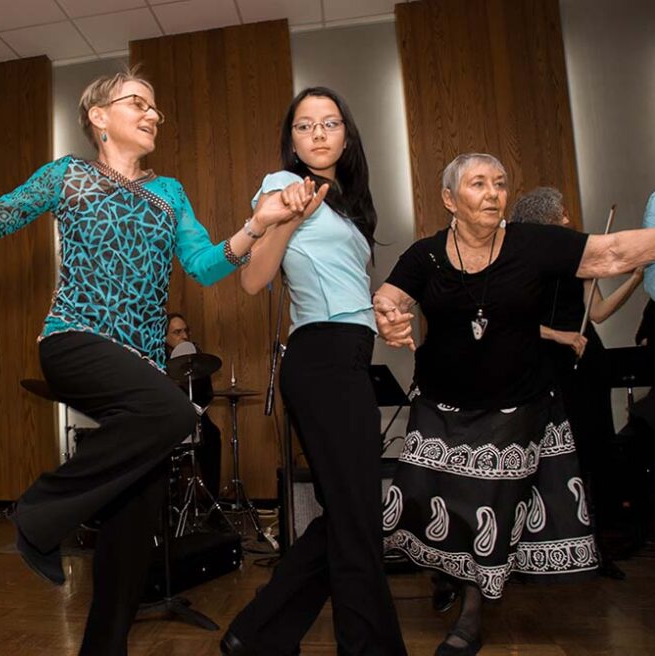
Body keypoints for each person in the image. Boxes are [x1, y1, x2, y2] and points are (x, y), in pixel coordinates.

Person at [0, 69, 320, 655]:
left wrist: (256, 225)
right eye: (137, 103)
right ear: (98, 116)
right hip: (75, 339)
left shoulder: (170, 193)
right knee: (175, 414)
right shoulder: (68, 174)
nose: (152, 115)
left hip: (141, 365)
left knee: (133, 525)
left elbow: (208, 266)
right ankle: (38, 512)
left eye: (156, 108)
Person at [374, 153, 655, 656]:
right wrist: (389, 315)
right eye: (478, 183)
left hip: (515, 405)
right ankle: (449, 573)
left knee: (490, 510)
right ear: (448, 199)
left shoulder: (533, 244)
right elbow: (389, 296)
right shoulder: (426, 255)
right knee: (421, 499)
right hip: (440, 405)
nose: (492, 193)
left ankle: (470, 617)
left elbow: (610, 253)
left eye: (500, 183)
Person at [222, 87, 406, 656]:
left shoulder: (352, 204)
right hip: (319, 358)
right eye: (305, 126)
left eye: (330, 123)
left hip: (351, 354)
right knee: (357, 517)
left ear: (346, 134)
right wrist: (286, 219)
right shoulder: (283, 187)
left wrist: (383, 309)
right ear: (292, 139)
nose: (319, 134)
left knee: (349, 512)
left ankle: (256, 633)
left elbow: (342, 281)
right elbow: (254, 280)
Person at [511, 187, 642, 579]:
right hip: (547, 362)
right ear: (544, 221)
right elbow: (515, 321)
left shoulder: (582, 261)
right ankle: (530, 548)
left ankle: (595, 546)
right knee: (544, 455)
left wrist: (634, 278)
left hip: (588, 363)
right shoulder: (524, 264)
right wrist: (562, 335)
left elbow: (597, 313)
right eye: (561, 214)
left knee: (592, 449)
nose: (569, 221)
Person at [164, 312, 222, 498]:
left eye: (186, 331)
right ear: (165, 337)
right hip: (167, 418)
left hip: (194, 415)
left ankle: (212, 501)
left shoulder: (197, 358)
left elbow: (206, 394)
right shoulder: (158, 357)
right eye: (177, 332)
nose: (184, 336)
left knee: (212, 434)